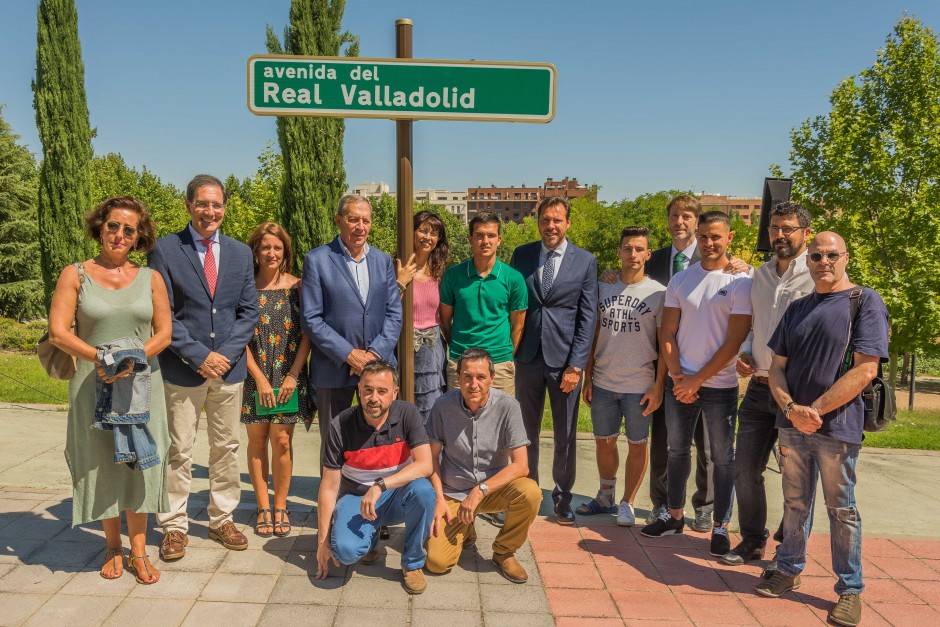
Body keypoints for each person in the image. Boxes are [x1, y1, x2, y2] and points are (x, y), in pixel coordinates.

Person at [756, 232, 888, 627]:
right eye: (816, 255)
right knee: (795, 503)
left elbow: (866, 369)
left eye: (832, 255)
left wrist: (813, 410)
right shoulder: (797, 308)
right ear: (808, 261)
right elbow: (776, 366)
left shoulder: (863, 301)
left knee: (841, 509)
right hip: (792, 424)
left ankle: (850, 590)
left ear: (846, 258)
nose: (824, 261)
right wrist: (791, 408)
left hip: (836, 428)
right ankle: (789, 567)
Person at [48, 196, 171, 584]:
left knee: (140, 462)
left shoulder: (151, 277)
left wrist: (131, 362)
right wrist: (103, 361)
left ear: (138, 238)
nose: (119, 234)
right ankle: (113, 546)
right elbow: (58, 332)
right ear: (100, 227)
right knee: (101, 462)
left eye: (129, 230)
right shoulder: (75, 275)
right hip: (92, 384)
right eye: (113, 225)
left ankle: (139, 550)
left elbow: (164, 333)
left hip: (141, 386)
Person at [149, 174, 259, 560]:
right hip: (182, 369)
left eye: (216, 205)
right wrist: (198, 355)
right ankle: (174, 526)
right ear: (188, 205)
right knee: (178, 449)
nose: (209, 211)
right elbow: (162, 315)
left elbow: (248, 312)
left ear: (224, 209)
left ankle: (222, 518)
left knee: (226, 447)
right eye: (202, 204)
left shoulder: (240, 253)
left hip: (229, 370)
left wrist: (223, 356)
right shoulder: (164, 250)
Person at [640, 211, 752, 560]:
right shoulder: (680, 281)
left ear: (729, 238)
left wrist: (697, 380)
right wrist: (677, 378)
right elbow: (667, 332)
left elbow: (734, 342)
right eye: (704, 236)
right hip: (680, 382)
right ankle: (674, 516)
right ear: (697, 238)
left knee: (721, 458)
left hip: (719, 385)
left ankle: (720, 526)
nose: (709, 243)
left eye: (716, 237)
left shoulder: (740, 282)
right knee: (676, 452)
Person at [720, 202, 815, 568]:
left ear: (805, 232)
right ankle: (752, 541)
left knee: (796, 477)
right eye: (775, 228)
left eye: (787, 228)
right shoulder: (759, 276)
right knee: (744, 467)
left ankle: (789, 550)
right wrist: (745, 352)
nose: (779, 234)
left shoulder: (817, 274)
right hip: (759, 386)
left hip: (797, 392)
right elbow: (755, 327)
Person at [509, 196, 597, 525]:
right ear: (539, 222)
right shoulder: (523, 255)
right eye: (546, 220)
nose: (551, 226)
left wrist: (577, 365)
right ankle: (527, 492)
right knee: (524, 432)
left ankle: (562, 496)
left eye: (557, 220)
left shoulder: (585, 261)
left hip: (565, 364)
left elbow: (587, 318)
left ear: (567, 223)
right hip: (527, 358)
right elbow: (513, 304)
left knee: (566, 433)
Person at [316, 360, 436, 595]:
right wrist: (322, 541)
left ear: (394, 393)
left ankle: (412, 564)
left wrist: (381, 485)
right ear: (359, 390)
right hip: (356, 497)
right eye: (368, 390)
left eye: (382, 391)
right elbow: (329, 487)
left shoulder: (408, 413)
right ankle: (370, 541)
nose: (374, 398)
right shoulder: (340, 424)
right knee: (345, 552)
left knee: (423, 491)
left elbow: (425, 464)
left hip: (396, 494)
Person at [425, 348, 542, 582]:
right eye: (467, 376)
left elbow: (521, 466)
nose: (473, 384)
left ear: (492, 379)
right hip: (453, 491)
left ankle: (504, 552)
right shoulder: (442, 406)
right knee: (437, 564)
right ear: (457, 379)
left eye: (480, 377)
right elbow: (431, 458)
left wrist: (480, 491)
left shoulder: (508, 406)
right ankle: (466, 528)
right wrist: (438, 498)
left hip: (492, 490)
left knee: (530, 492)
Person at [300, 194, 402, 460]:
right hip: (335, 368)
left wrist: (374, 356)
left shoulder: (382, 261)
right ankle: (332, 500)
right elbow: (311, 318)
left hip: (379, 368)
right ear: (338, 220)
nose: (360, 226)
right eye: (353, 219)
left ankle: (374, 496)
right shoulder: (317, 259)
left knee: (381, 440)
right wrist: (349, 354)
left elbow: (394, 313)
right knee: (334, 442)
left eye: (365, 221)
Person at [582, 227, 666, 527]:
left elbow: (665, 343)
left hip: (639, 384)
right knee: (604, 442)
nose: (633, 254)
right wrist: (588, 377)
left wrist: (658, 387)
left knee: (637, 444)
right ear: (619, 252)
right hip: (604, 381)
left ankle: (627, 502)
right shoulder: (602, 288)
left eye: (639, 249)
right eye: (627, 248)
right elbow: (592, 336)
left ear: (648, 254)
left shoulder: (658, 293)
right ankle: (605, 495)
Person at [241, 222, 314, 537]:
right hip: (254, 375)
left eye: (277, 247)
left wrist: (294, 375)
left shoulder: (299, 286)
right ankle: (262, 507)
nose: (271, 253)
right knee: (257, 441)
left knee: (282, 441)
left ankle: (281, 506)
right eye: (265, 247)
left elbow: (308, 334)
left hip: (288, 376)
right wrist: (257, 377)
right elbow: (236, 337)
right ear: (255, 251)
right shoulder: (243, 287)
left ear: (285, 251)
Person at [440, 212, 527, 395]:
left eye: (491, 235)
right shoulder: (453, 275)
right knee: (457, 419)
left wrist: (505, 356)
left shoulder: (514, 278)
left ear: (499, 239)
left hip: (499, 365)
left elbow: (517, 326)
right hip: (461, 363)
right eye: (479, 235)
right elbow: (445, 321)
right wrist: (459, 346)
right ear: (470, 239)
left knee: (501, 420)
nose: (485, 241)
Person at [395, 210, 450, 422]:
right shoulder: (397, 267)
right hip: (405, 346)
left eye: (434, 233)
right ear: (412, 232)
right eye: (423, 230)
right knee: (405, 407)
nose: (428, 237)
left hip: (433, 349)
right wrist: (400, 283)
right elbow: (387, 307)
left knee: (431, 407)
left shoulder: (440, 272)